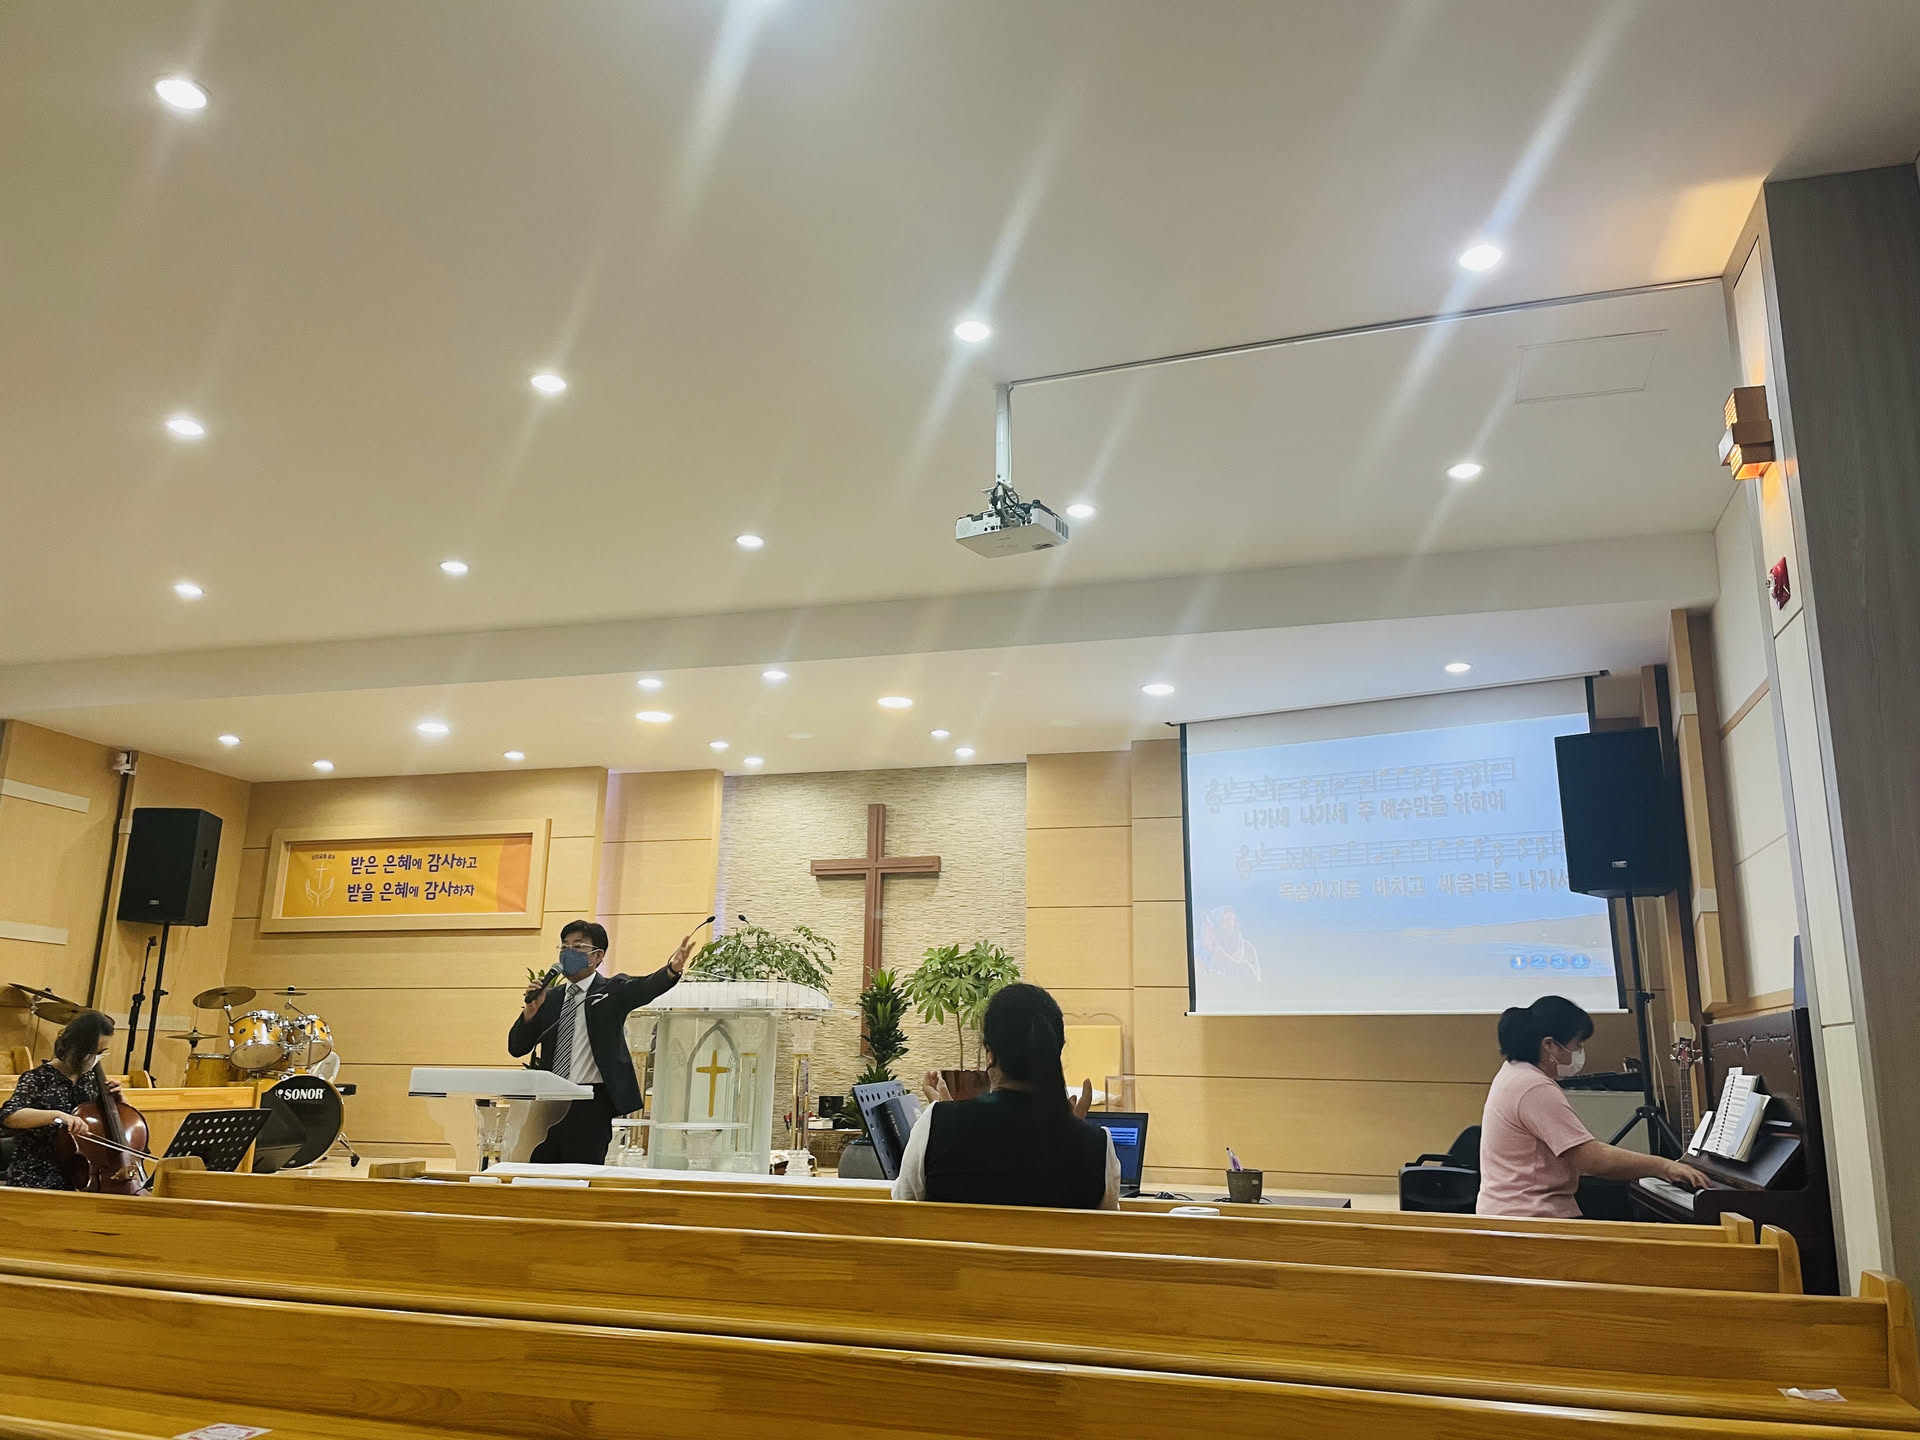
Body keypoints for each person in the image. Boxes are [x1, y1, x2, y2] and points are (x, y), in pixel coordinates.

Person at [1477, 995, 1710, 1218]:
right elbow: (1592, 1159)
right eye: (1577, 1044)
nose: (1579, 1053)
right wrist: (1664, 1166)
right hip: (1533, 1219)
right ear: (1549, 1045)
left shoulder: (1514, 1073)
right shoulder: (1533, 1086)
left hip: (1510, 1213)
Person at [892, 982, 1119, 1209]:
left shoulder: (934, 1125)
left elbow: (902, 1208)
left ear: (990, 1054)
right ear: (1054, 1053)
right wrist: (1074, 1136)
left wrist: (945, 1121)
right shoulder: (1096, 1146)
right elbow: (1106, 1224)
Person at [508, 919, 694, 1164]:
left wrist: (671, 970)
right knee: (539, 1170)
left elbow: (645, 987)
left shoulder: (611, 991)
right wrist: (530, 1012)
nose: (568, 953)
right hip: (549, 1100)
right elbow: (517, 1047)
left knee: (581, 1172)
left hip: (590, 1102)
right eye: (564, 947)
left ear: (598, 956)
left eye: (578, 947)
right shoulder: (549, 998)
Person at [1, 1010, 122, 1190]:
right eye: (92, 1052)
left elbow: (110, 1127)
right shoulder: (38, 1078)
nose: (95, 1059)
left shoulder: (92, 1080)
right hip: (38, 1173)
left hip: (82, 1171)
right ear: (74, 1046)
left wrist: (119, 1102)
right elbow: (9, 1116)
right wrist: (57, 1116)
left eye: (101, 1052)